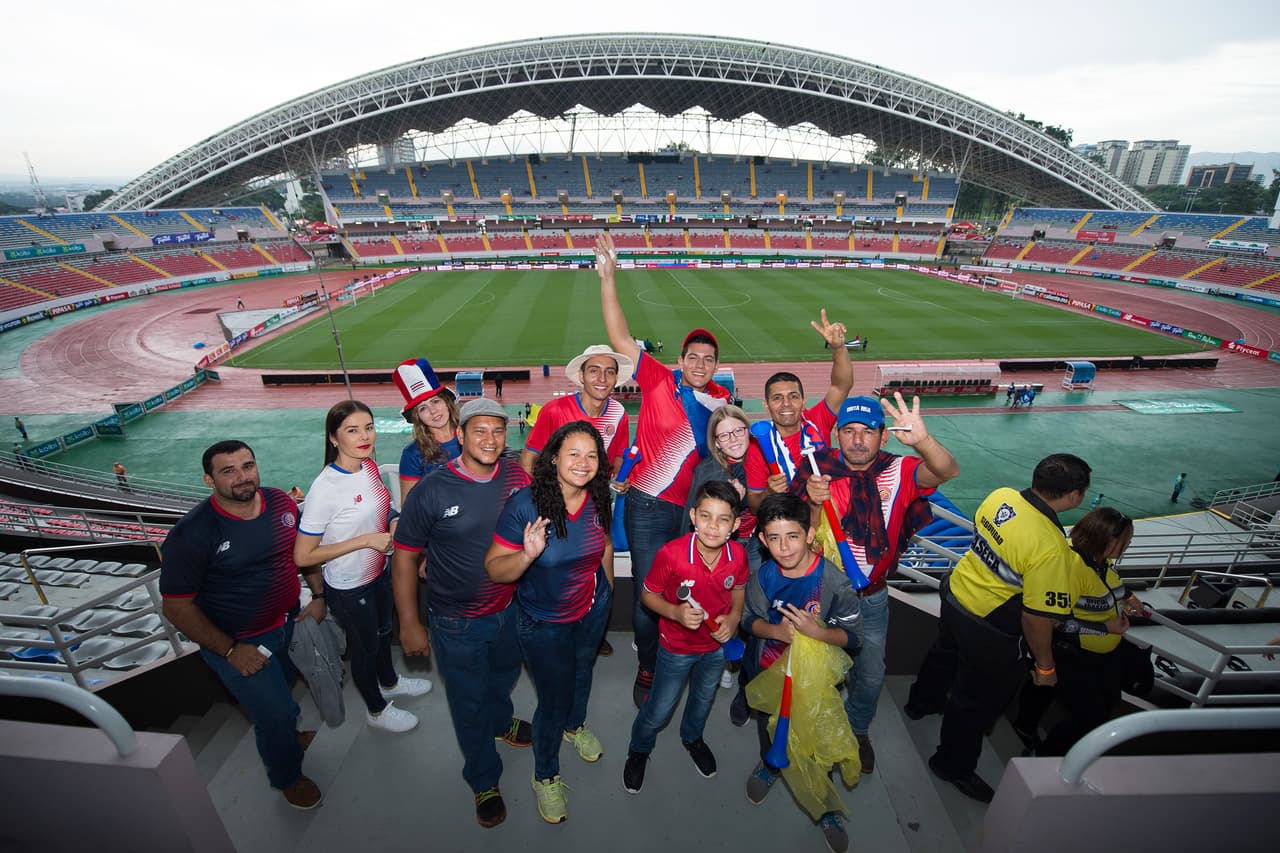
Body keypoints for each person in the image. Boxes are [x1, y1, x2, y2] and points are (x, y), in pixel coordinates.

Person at [595, 232, 732, 706]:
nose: (699, 363)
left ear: (716, 365)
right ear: (680, 360)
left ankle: (680, 649)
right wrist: (608, 277)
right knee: (649, 595)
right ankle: (649, 664)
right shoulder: (658, 379)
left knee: (686, 585)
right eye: (692, 356)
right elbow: (617, 337)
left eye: (707, 358)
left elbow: (726, 451)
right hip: (648, 505)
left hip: (693, 512)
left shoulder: (720, 401)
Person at [790, 393, 959, 776]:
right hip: (823, 597)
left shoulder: (900, 470)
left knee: (870, 673)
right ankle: (820, 732)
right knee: (817, 673)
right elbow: (803, 540)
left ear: (884, 437)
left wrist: (923, 442)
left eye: (868, 431)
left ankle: (857, 730)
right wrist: (814, 503)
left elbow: (947, 471)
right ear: (837, 434)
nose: (857, 440)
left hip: (871, 597)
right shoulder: (815, 470)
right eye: (849, 430)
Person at [910, 453, 1092, 802]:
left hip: (955, 595)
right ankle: (951, 765)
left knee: (942, 656)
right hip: (989, 628)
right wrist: (1045, 666)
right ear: (1074, 495)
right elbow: (1037, 617)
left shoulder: (1001, 496)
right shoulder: (1051, 545)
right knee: (973, 703)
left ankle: (920, 703)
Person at [390, 398, 533, 828]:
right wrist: (411, 624)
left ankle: (501, 721)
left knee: (504, 675)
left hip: (510, 608)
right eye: (480, 431)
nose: (490, 440)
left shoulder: (516, 475)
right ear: (462, 434)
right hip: (456, 620)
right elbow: (403, 559)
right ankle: (484, 779)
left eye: (498, 431)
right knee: (468, 701)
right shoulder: (433, 488)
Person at [160, 440, 325, 809]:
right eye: (228, 470)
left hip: (287, 625)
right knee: (275, 712)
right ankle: (287, 776)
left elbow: (303, 554)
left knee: (285, 691)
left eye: (247, 466)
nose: (242, 476)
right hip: (239, 643)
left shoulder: (280, 502)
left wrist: (318, 596)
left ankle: (290, 736)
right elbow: (175, 607)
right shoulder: (193, 534)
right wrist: (231, 650)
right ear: (208, 479)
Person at [485, 421, 614, 824]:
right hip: (544, 622)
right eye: (573, 453)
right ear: (554, 457)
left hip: (591, 608)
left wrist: (605, 592)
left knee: (582, 676)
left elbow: (604, 544)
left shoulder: (597, 496)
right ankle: (545, 775)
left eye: (592, 455)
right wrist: (526, 555)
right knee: (553, 700)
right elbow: (494, 568)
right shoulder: (526, 504)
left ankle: (575, 726)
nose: (583, 462)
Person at [294, 400, 430, 736]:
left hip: (377, 573)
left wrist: (395, 521)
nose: (364, 436)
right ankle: (376, 710)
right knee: (365, 649)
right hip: (349, 585)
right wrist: (366, 541)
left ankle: (389, 682)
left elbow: (380, 510)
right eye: (352, 430)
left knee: (384, 633)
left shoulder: (367, 467)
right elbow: (303, 555)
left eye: (368, 427)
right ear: (333, 438)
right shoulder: (325, 488)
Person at [741, 493, 861, 853]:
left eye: (792, 536)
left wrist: (817, 633)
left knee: (814, 742)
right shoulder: (763, 576)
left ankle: (824, 807)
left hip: (818, 681)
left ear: (809, 535)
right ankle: (771, 765)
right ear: (762, 539)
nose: (784, 547)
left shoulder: (834, 581)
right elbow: (749, 621)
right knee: (771, 729)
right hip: (770, 671)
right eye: (773, 538)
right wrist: (777, 632)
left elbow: (853, 636)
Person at [622, 480, 747, 794]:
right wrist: (675, 613)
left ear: (736, 524)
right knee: (660, 707)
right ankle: (639, 748)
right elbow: (648, 596)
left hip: (716, 649)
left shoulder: (738, 556)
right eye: (706, 516)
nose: (713, 527)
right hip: (676, 648)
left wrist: (733, 617)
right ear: (692, 516)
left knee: (703, 700)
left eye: (723, 519)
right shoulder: (672, 555)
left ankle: (692, 737)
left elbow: (739, 590)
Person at [521, 343, 633, 658]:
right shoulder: (556, 411)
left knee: (602, 554)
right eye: (594, 370)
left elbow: (612, 462)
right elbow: (529, 457)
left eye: (610, 371)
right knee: (554, 564)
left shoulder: (619, 413)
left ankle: (597, 625)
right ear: (581, 376)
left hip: (595, 502)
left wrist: (618, 480)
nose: (602, 377)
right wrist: (540, 500)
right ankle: (551, 627)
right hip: (554, 503)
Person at [1011, 507, 1149, 756]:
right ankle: (1045, 758)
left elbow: (1110, 585)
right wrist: (1105, 627)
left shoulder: (1101, 562)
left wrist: (1128, 597)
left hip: (1101, 656)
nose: (1128, 545)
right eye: (1125, 541)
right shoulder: (1072, 569)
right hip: (1073, 654)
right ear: (1106, 539)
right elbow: (1056, 622)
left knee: (1106, 703)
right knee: (1090, 718)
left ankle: (1027, 728)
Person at [744, 310, 854, 519]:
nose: (786, 403)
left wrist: (838, 348)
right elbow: (755, 506)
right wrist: (769, 492)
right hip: (790, 527)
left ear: (804, 401)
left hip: (831, 518)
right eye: (777, 398)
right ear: (766, 405)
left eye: (793, 396)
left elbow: (841, 386)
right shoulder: (758, 446)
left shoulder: (816, 420)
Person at [689, 405, 759, 719]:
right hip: (725, 550)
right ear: (715, 442)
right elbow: (696, 518)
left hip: (760, 549)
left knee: (753, 612)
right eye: (724, 435)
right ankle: (722, 659)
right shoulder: (710, 471)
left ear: (748, 429)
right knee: (720, 606)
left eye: (738, 430)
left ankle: (747, 682)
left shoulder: (763, 461)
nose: (732, 439)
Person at [393, 357, 460, 505]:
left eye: (436, 401)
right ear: (417, 417)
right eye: (423, 408)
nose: (433, 411)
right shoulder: (412, 454)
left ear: (447, 402)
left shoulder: (472, 435)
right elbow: (409, 507)